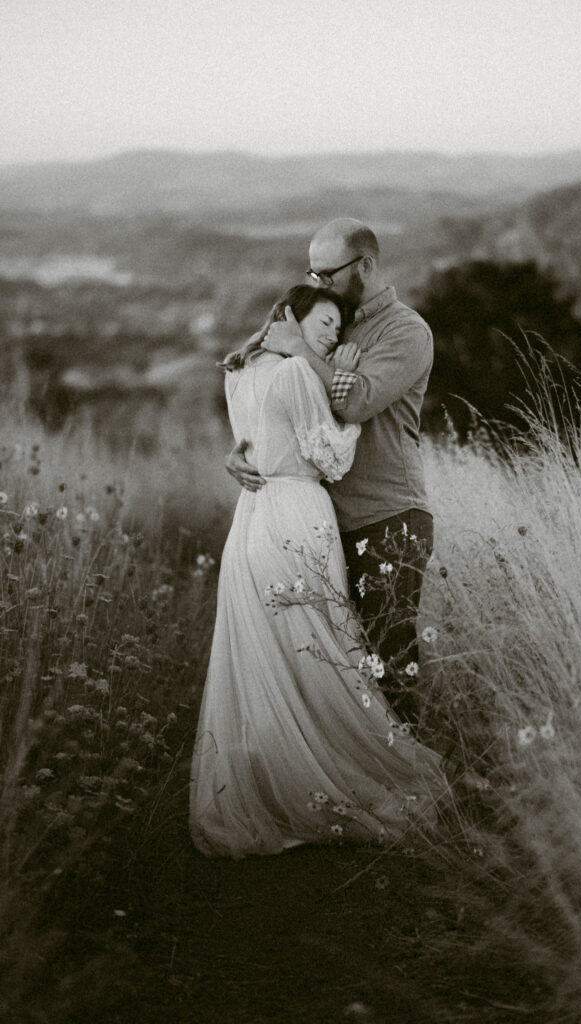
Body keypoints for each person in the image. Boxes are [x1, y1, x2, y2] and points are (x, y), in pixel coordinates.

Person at [190, 284, 444, 859]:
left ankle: (267, 782)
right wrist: (346, 416)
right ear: (292, 319)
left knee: (268, 654)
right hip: (298, 512)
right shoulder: (300, 375)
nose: (334, 334)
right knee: (322, 648)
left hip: (251, 519)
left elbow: (249, 445)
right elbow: (331, 456)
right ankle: (334, 773)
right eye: (325, 322)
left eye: (338, 326)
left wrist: (246, 456)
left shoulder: (239, 371)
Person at [227, 219, 434, 725]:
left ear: (364, 266)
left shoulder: (405, 331)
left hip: (386, 519)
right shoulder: (321, 318)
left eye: (328, 274)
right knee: (334, 672)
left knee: (389, 662)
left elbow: (357, 399)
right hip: (319, 525)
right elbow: (265, 385)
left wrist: (302, 352)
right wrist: (243, 450)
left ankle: (420, 779)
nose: (319, 284)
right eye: (312, 274)